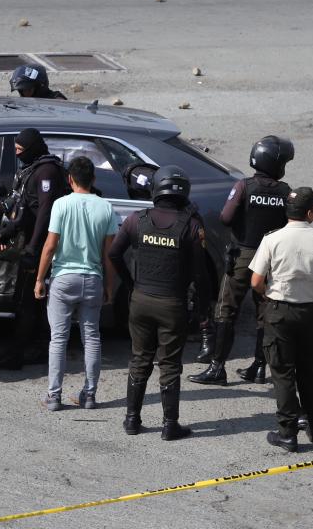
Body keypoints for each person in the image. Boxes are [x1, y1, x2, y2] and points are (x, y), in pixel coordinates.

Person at [109, 165, 212, 441]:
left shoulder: (136, 220)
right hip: (172, 304)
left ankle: (132, 420)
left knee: (139, 359)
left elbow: (114, 254)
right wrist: (205, 313)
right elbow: (201, 275)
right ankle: (169, 425)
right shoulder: (191, 226)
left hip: (141, 301)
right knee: (169, 364)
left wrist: (131, 284)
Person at [190, 136, 293, 386]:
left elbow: (225, 218)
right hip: (271, 257)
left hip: (243, 255)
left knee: (227, 309)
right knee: (264, 311)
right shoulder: (285, 191)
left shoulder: (244, 186)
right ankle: (259, 367)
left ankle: (218, 367)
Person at [251, 187, 313, 452]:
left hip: (279, 312)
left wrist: (269, 292)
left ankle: (288, 433)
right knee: (311, 373)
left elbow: (256, 280)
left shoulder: (272, 239)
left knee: (283, 373)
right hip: (311, 312)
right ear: (311, 213)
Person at [33, 156, 118, 411]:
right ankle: (89, 395)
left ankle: (54, 396)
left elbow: (50, 247)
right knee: (91, 337)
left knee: (58, 338)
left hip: (63, 279)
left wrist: (39, 279)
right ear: (93, 179)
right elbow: (109, 256)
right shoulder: (106, 208)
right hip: (92, 279)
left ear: (69, 179)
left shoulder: (61, 205)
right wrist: (109, 286)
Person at [0, 129, 68, 369]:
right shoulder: (33, 168)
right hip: (30, 239)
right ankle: (35, 348)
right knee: (28, 301)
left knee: (28, 300)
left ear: (32, 148)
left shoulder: (47, 172)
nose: (17, 154)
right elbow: (28, 208)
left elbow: (44, 214)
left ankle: (18, 354)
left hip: (42, 245)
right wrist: (12, 229)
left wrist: (33, 249)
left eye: (19, 150)